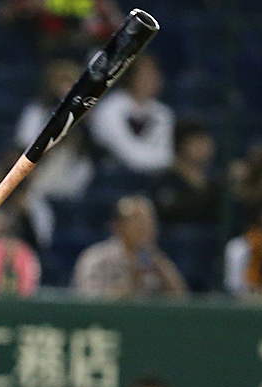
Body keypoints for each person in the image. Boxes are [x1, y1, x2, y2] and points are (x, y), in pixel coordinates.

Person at [71, 195, 188, 298]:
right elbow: (87, 301)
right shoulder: (96, 258)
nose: (145, 228)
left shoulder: (154, 259)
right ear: (118, 226)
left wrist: (163, 271)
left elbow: (183, 301)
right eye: (138, 222)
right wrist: (130, 285)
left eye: (149, 222)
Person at [14, 58, 94, 203]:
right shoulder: (36, 112)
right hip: (38, 173)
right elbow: (24, 147)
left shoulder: (85, 118)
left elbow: (88, 150)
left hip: (71, 172)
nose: (65, 88)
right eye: (61, 82)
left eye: (70, 82)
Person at [88, 54, 175, 176]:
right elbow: (127, 154)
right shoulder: (109, 109)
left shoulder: (163, 113)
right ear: (130, 77)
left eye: (155, 74)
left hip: (151, 178)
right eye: (145, 75)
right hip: (113, 177)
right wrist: (156, 162)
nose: (153, 79)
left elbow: (165, 155)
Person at [148, 119, 222, 225]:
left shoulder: (215, 184)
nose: (206, 146)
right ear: (182, 145)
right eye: (198, 141)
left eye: (207, 141)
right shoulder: (163, 183)